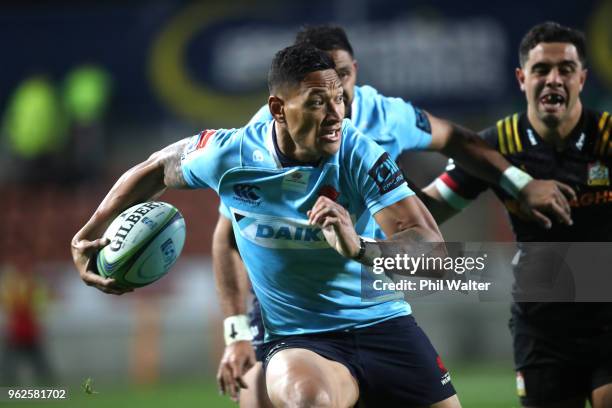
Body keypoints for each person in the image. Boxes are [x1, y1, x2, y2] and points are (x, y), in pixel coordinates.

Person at [72, 43, 461, 407]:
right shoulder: (231, 154)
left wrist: (360, 247)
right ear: (278, 108)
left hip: (385, 325)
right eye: (317, 102)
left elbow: (434, 256)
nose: (335, 115)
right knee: (308, 398)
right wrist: (92, 232)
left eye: (339, 99)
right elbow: (155, 168)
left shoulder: (359, 153)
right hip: (300, 340)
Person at [213, 25, 575, 407]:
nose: (340, 98)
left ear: (354, 68)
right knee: (260, 396)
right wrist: (235, 332)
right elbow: (228, 235)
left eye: (344, 77)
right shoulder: (264, 134)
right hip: (291, 308)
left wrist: (518, 183)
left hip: (370, 297)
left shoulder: (385, 116)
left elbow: (459, 142)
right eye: (318, 92)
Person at [423, 22, 612, 408]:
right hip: (543, 328)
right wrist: (376, 185)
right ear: (522, 78)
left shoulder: (607, 138)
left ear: (582, 78)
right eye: (542, 70)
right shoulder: (496, 146)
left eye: (566, 69)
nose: (554, 79)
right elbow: (426, 212)